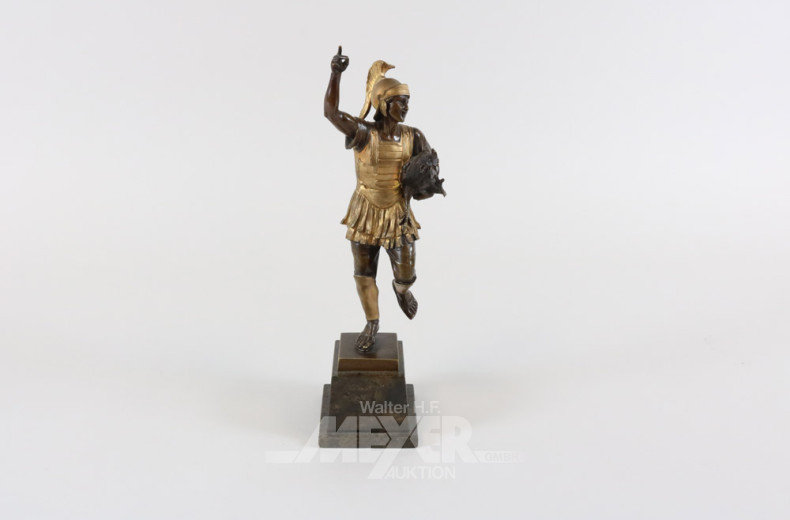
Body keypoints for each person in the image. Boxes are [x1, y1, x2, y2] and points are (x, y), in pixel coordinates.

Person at [324, 46, 434, 352]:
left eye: (407, 101)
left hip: (398, 212)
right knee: (364, 272)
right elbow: (331, 113)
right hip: (365, 210)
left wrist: (425, 185)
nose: (406, 107)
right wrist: (335, 74)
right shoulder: (363, 133)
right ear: (383, 103)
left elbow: (427, 172)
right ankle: (372, 322)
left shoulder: (414, 136)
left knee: (406, 274)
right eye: (400, 101)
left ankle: (402, 290)